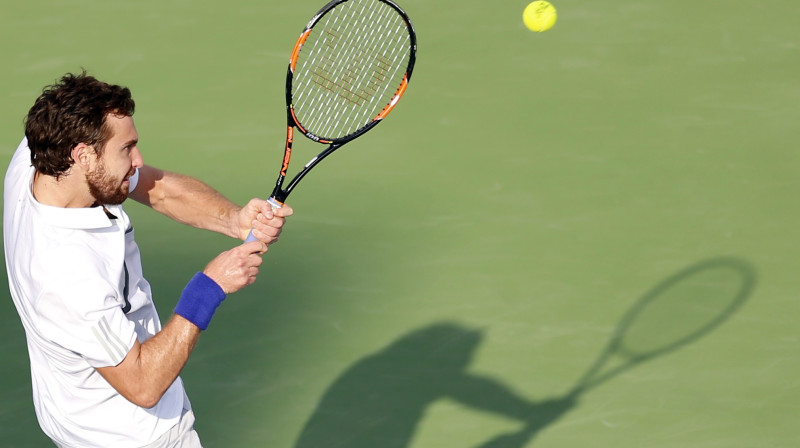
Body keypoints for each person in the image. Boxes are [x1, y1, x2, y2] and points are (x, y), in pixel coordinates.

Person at [3, 72, 293, 448]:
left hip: (72, 416)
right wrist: (210, 286)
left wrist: (233, 219)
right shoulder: (65, 276)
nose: (138, 159)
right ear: (82, 154)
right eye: (126, 149)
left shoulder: (38, 157)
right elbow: (143, 385)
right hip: (134, 437)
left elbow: (149, 184)